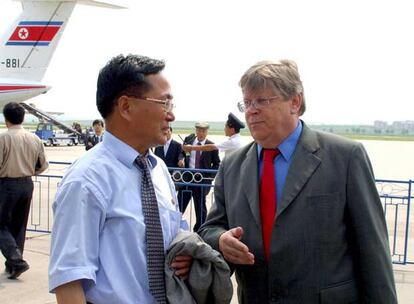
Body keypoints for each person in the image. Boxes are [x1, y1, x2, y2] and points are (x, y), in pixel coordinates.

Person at [198, 60, 397, 303]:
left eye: (262, 100)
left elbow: (372, 252)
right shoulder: (232, 165)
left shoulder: (345, 157)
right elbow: (210, 228)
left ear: (295, 102)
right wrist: (220, 240)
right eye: (247, 102)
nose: (251, 110)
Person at [49, 54, 192, 304]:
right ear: (126, 107)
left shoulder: (157, 168)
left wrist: (185, 255)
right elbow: (69, 281)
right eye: (164, 103)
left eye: (172, 105)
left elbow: (174, 237)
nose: (171, 116)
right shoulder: (86, 181)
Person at [0, 102, 48, 279]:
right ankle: (13, 264)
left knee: (1, 224)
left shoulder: (3, 138)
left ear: (6, 119)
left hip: (7, 184)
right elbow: (43, 165)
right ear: (23, 117)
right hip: (27, 183)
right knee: (19, 224)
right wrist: (28, 172)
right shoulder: (34, 138)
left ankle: (16, 260)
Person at [178, 122, 220, 231]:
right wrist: (181, 159)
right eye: (199, 130)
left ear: (207, 132)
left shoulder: (211, 146)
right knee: (179, 205)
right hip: (187, 179)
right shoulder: (189, 140)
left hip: (201, 180)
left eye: (203, 131)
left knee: (200, 208)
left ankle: (200, 231)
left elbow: (216, 164)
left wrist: (209, 177)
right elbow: (182, 152)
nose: (201, 133)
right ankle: (175, 227)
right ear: (196, 130)